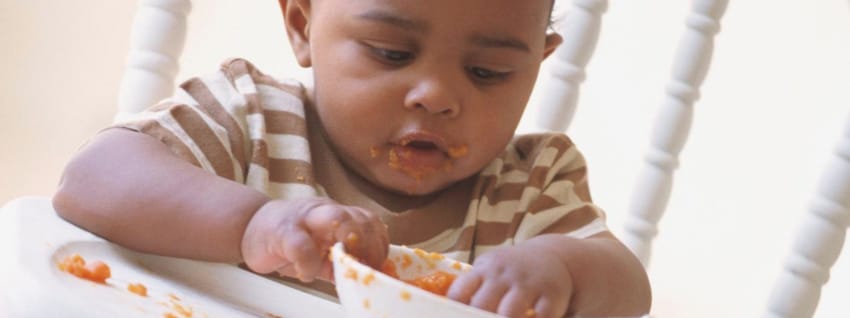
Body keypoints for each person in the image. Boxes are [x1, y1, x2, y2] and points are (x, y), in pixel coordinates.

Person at [53, 0, 651, 317]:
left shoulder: (530, 187)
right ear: (302, 22)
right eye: (392, 53)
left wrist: (562, 270)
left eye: (487, 72)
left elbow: (628, 288)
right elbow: (92, 178)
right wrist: (253, 224)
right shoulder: (249, 117)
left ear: (537, 66)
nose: (437, 95)